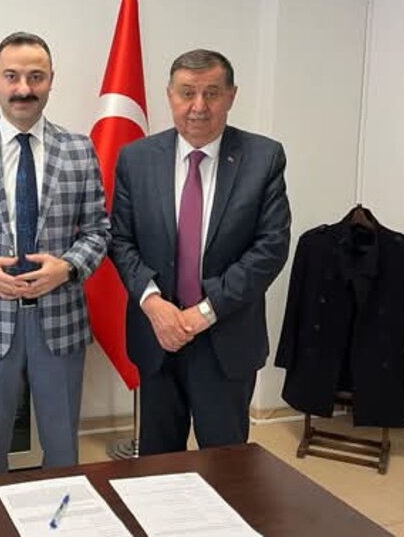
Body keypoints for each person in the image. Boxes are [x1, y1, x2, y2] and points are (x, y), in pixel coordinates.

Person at [0, 32, 109, 476]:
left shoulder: (79, 149)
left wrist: (67, 267)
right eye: (12, 76)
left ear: (51, 80)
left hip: (60, 320)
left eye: (36, 77)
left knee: (63, 452)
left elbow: (98, 231)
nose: (23, 88)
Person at [109, 49, 291, 455]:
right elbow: (120, 239)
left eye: (212, 93)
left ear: (231, 96)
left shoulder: (263, 158)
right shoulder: (136, 159)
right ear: (169, 95)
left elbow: (270, 248)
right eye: (187, 92)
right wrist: (153, 304)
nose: (198, 106)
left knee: (225, 465)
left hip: (225, 337)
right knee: (157, 464)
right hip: (157, 335)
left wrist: (204, 312)